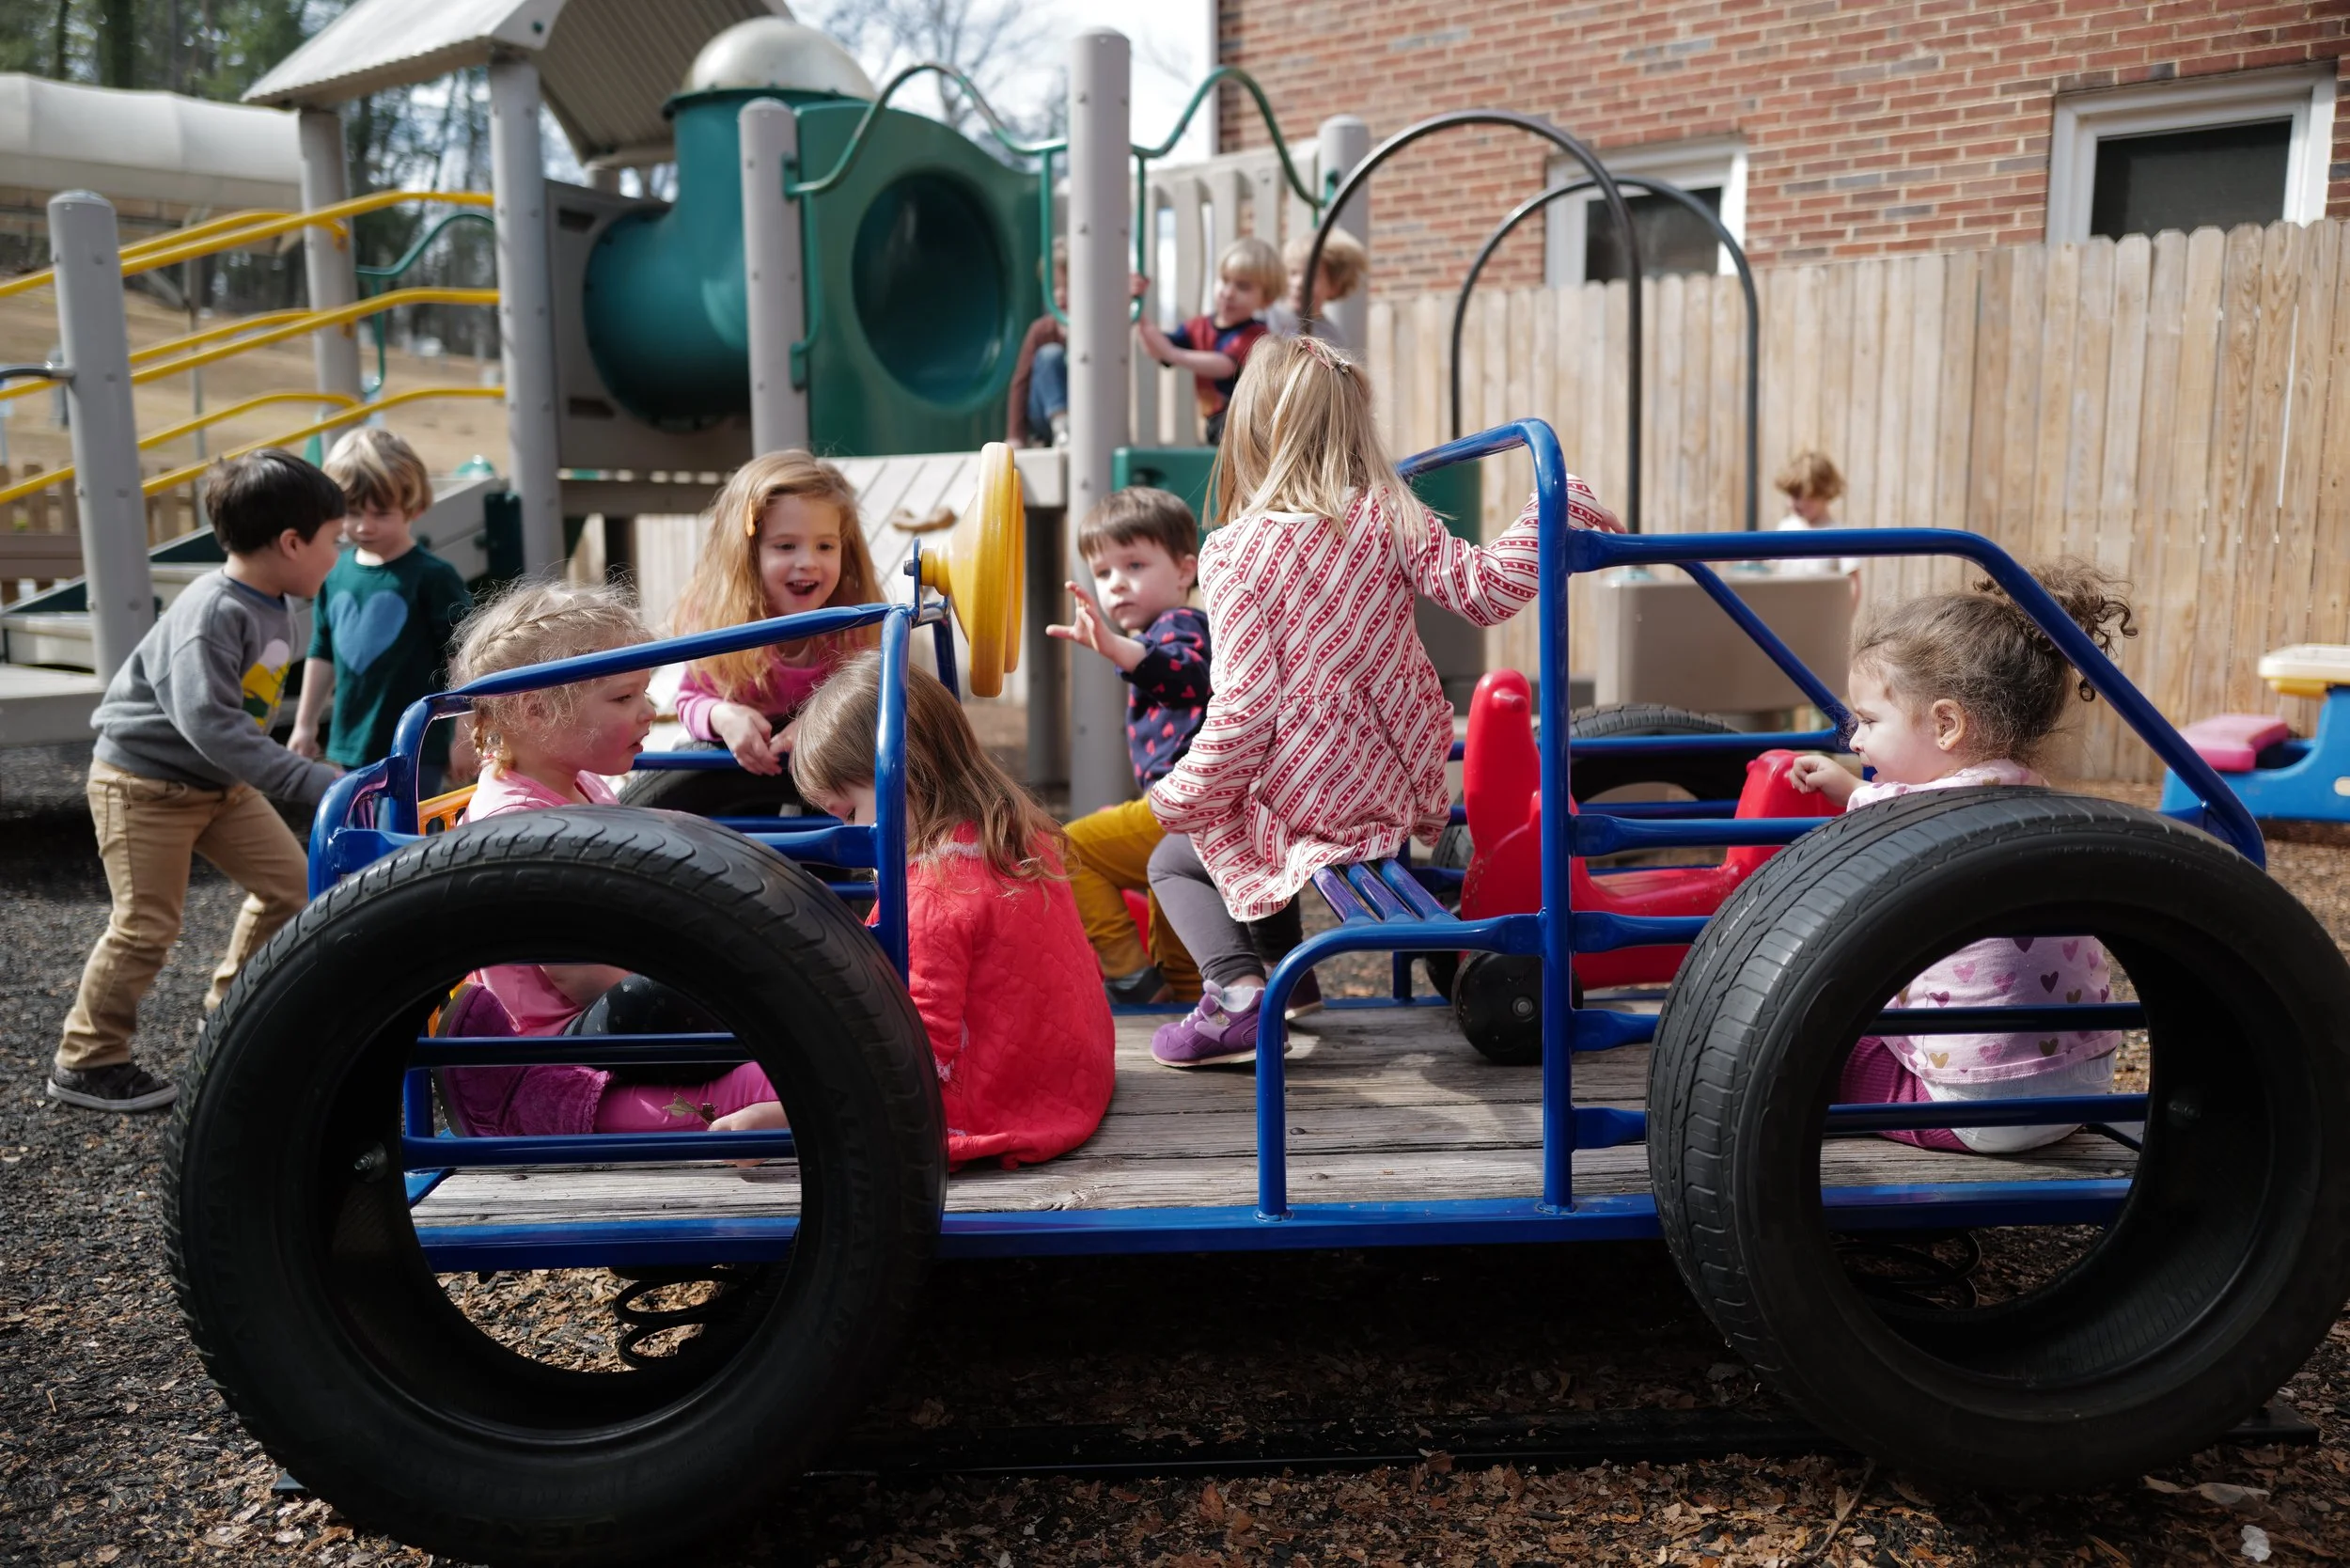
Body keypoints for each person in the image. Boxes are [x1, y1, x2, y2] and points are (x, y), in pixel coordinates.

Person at [1144, 334, 1621, 1068]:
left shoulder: (1234, 550)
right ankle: (1288, 987)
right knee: (1243, 811)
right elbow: (1488, 592)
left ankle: (1236, 995)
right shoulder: (1392, 516)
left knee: (1179, 855)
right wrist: (1559, 506)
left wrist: (1179, 794)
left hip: (1310, 795)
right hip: (1389, 787)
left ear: (1253, 433)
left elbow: (1243, 709)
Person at [1787, 559, 2138, 1152]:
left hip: (1975, 1110)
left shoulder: (1899, 818)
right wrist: (1848, 786)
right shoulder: (2040, 806)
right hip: (2082, 1089)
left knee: (1806, 1050)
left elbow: (1879, 825)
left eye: (1869, 721)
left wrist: (1850, 794)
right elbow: (1899, 802)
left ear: (1946, 724)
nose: (1854, 741)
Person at [431, 580, 786, 1138]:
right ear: (536, 709)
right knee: (695, 1015)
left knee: (717, 966)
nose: (649, 711)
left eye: (644, 692)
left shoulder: (583, 784)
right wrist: (696, 990)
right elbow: (576, 971)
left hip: (615, 1017)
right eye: (624, 698)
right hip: (562, 1049)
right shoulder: (515, 822)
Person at [49, 449, 347, 1111]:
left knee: (292, 889)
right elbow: (212, 726)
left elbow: (231, 731)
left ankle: (230, 1013)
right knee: (146, 924)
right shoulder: (213, 612)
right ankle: (87, 1059)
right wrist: (312, 778)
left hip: (219, 787)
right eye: (334, 541)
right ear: (292, 543)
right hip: (144, 785)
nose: (338, 555)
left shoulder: (274, 599)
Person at [790, 653, 1117, 1168]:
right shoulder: (1016, 831)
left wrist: (793, 1113)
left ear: (906, 774)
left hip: (1003, 1108)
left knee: (780, 1077)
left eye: (850, 812)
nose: (853, 834)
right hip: (1067, 1077)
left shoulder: (934, 890)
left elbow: (915, 1053)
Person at [1046, 486, 1212, 1006]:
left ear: (1185, 571)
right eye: (1103, 573)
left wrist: (1119, 648)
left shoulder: (1182, 625)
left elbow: (1185, 677)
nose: (1117, 584)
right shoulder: (1159, 633)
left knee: (1063, 849)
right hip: (1187, 812)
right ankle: (1184, 1002)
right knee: (1178, 925)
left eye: (1135, 564)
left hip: (1189, 805)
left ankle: (1129, 976)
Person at [669, 450, 881, 780]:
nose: (808, 562)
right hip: (734, 761)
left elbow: (873, 697)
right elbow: (691, 698)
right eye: (786, 547)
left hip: (817, 762)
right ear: (748, 555)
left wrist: (821, 720)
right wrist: (723, 717)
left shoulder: (850, 622)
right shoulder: (721, 619)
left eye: (825, 546)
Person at [290, 428, 473, 795]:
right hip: (352, 743)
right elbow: (322, 650)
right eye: (352, 512)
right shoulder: (335, 572)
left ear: (414, 507)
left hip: (419, 746)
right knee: (363, 837)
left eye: (381, 513)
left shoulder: (433, 578)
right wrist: (305, 723)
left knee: (409, 843)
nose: (364, 526)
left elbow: (462, 658)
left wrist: (464, 731)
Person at [1133, 235, 1285, 446]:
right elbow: (1157, 349)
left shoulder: (1257, 335)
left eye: (1243, 287)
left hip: (1250, 420)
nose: (1228, 293)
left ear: (1265, 298)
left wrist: (1173, 354)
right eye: (1224, 280)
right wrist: (1137, 312)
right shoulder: (1198, 327)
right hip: (1217, 421)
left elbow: (1225, 365)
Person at [1263, 228, 1370, 355]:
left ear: (1335, 286)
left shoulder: (1334, 339)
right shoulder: (1268, 318)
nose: (1298, 283)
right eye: (1293, 273)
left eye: (1311, 276)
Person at [1007, 238, 1069, 447]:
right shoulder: (1041, 330)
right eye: (1054, 288)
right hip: (1045, 416)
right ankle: (1061, 427)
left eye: (1067, 287)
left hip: (1082, 411)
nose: (1060, 295)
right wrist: (1016, 435)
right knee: (1049, 355)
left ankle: (1067, 428)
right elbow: (1020, 383)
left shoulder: (1092, 330)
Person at [1770, 448, 1856, 576]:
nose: (1795, 504)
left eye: (1803, 496)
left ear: (1825, 493)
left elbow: (1853, 585)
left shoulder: (1841, 536)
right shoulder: (1785, 528)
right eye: (1792, 496)